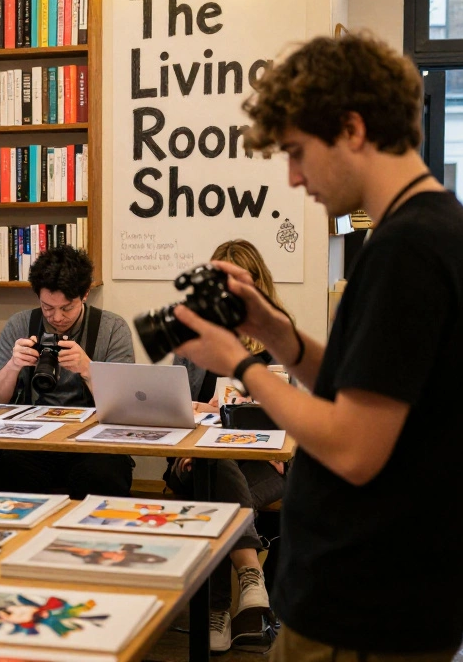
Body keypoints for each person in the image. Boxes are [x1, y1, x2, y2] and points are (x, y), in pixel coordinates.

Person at [169, 33, 463, 660]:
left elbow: (353, 446)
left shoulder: (409, 250)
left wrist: (239, 362)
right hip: (388, 592)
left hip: (367, 601)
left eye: (298, 151)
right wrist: (274, 332)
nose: (294, 176)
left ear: (352, 128)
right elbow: (367, 385)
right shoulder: (437, 231)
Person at [167, 239, 287, 652]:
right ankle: (250, 573)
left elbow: (294, 411)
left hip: (261, 463)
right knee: (212, 470)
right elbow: (170, 408)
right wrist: (197, 416)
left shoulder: (276, 332)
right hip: (196, 457)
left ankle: (215, 611)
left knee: (213, 497)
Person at [0, 246, 136, 499]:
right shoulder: (20, 324)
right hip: (32, 443)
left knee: (102, 481)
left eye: (67, 308)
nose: (57, 317)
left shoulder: (112, 328)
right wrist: (13, 367)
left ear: (85, 295)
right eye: (48, 307)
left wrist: (88, 369)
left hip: (95, 445)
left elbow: (126, 408)